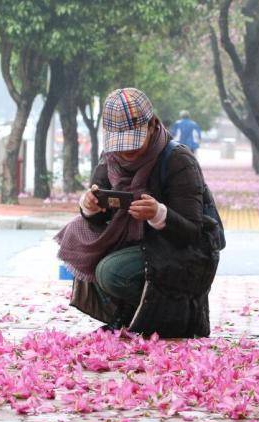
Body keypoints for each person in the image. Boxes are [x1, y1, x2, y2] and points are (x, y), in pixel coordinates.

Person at [54, 88, 220, 338]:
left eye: (132, 142)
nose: (126, 152)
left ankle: (177, 315)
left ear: (153, 125)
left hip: (182, 252)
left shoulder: (178, 160)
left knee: (110, 271)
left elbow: (192, 231)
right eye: (120, 144)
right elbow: (101, 217)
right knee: (82, 242)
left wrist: (159, 214)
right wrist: (89, 208)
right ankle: (128, 317)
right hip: (137, 246)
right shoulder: (109, 160)